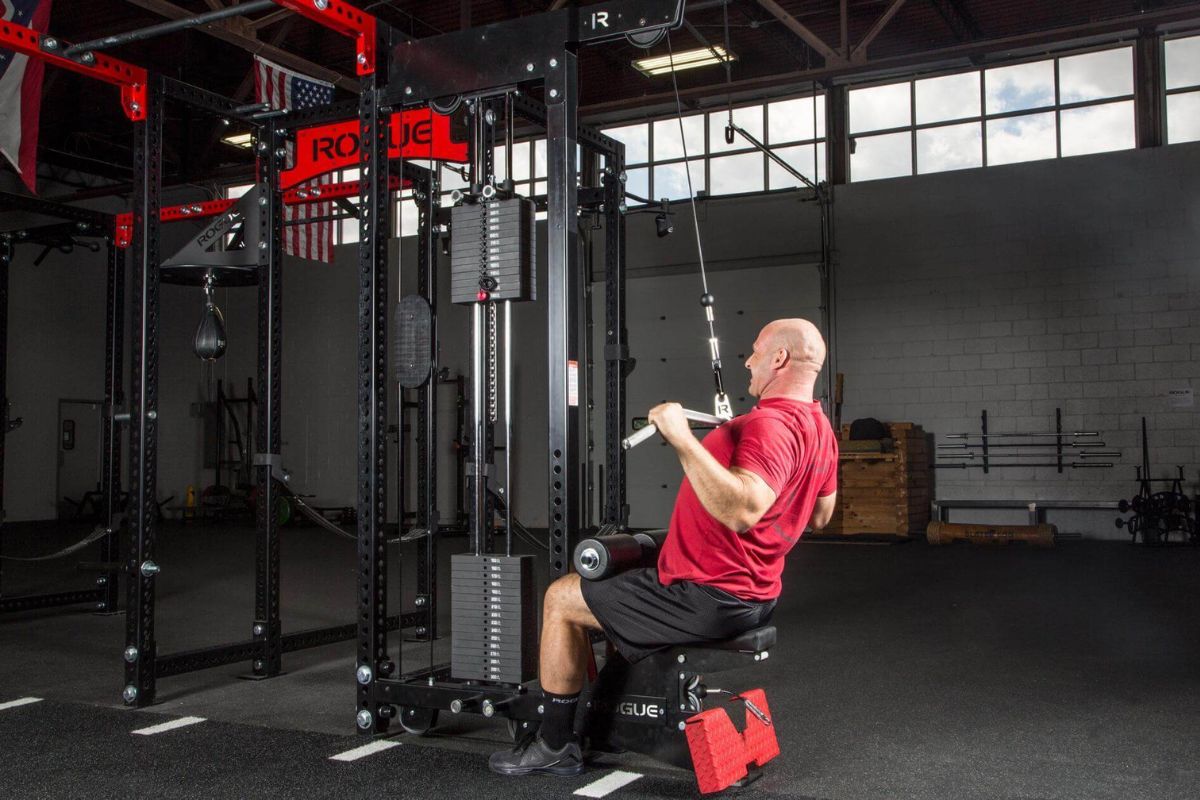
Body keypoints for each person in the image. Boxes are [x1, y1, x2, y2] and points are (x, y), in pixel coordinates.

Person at [489, 318, 839, 777]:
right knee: (612, 582)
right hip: (754, 593)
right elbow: (819, 514)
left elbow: (743, 509)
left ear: (780, 359)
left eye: (755, 352)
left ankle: (554, 744)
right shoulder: (818, 427)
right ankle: (610, 711)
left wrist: (680, 437)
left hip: (708, 594)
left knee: (560, 599)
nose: (748, 360)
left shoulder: (771, 425)